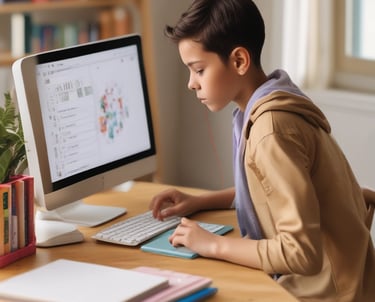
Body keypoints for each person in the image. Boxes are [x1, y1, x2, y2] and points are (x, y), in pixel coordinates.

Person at [150, 0, 375, 301]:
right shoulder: (273, 99)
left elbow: (301, 253)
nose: (192, 84)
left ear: (239, 61)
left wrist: (211, 245)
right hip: (350, 277)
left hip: (330, 293)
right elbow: (267, 188)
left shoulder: (270, 131)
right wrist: (200, 201)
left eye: (199, 70)